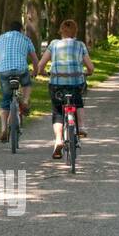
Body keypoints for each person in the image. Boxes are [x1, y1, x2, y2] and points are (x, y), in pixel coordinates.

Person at [36, 19, 95, 160]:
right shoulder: (80, 45)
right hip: (76, 83)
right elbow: (91, 67)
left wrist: (43, 72)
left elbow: (41, 65)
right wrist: (88, 72)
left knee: (57, 111)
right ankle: (80, 126)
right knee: (78, 101)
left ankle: (58, 140)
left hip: (57, 83)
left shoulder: (53, 45)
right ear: (75, 31)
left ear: (61, 31)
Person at [0, 20, 38, 142]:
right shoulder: (26, 39)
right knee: (26, 83)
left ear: (9, 29)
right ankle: (25, 101)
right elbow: (34, 59)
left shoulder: (1, 38)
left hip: (4, 72)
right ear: (21, 29)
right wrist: (35, 71)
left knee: (6, 99)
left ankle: (4, 128)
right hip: (21, 70)